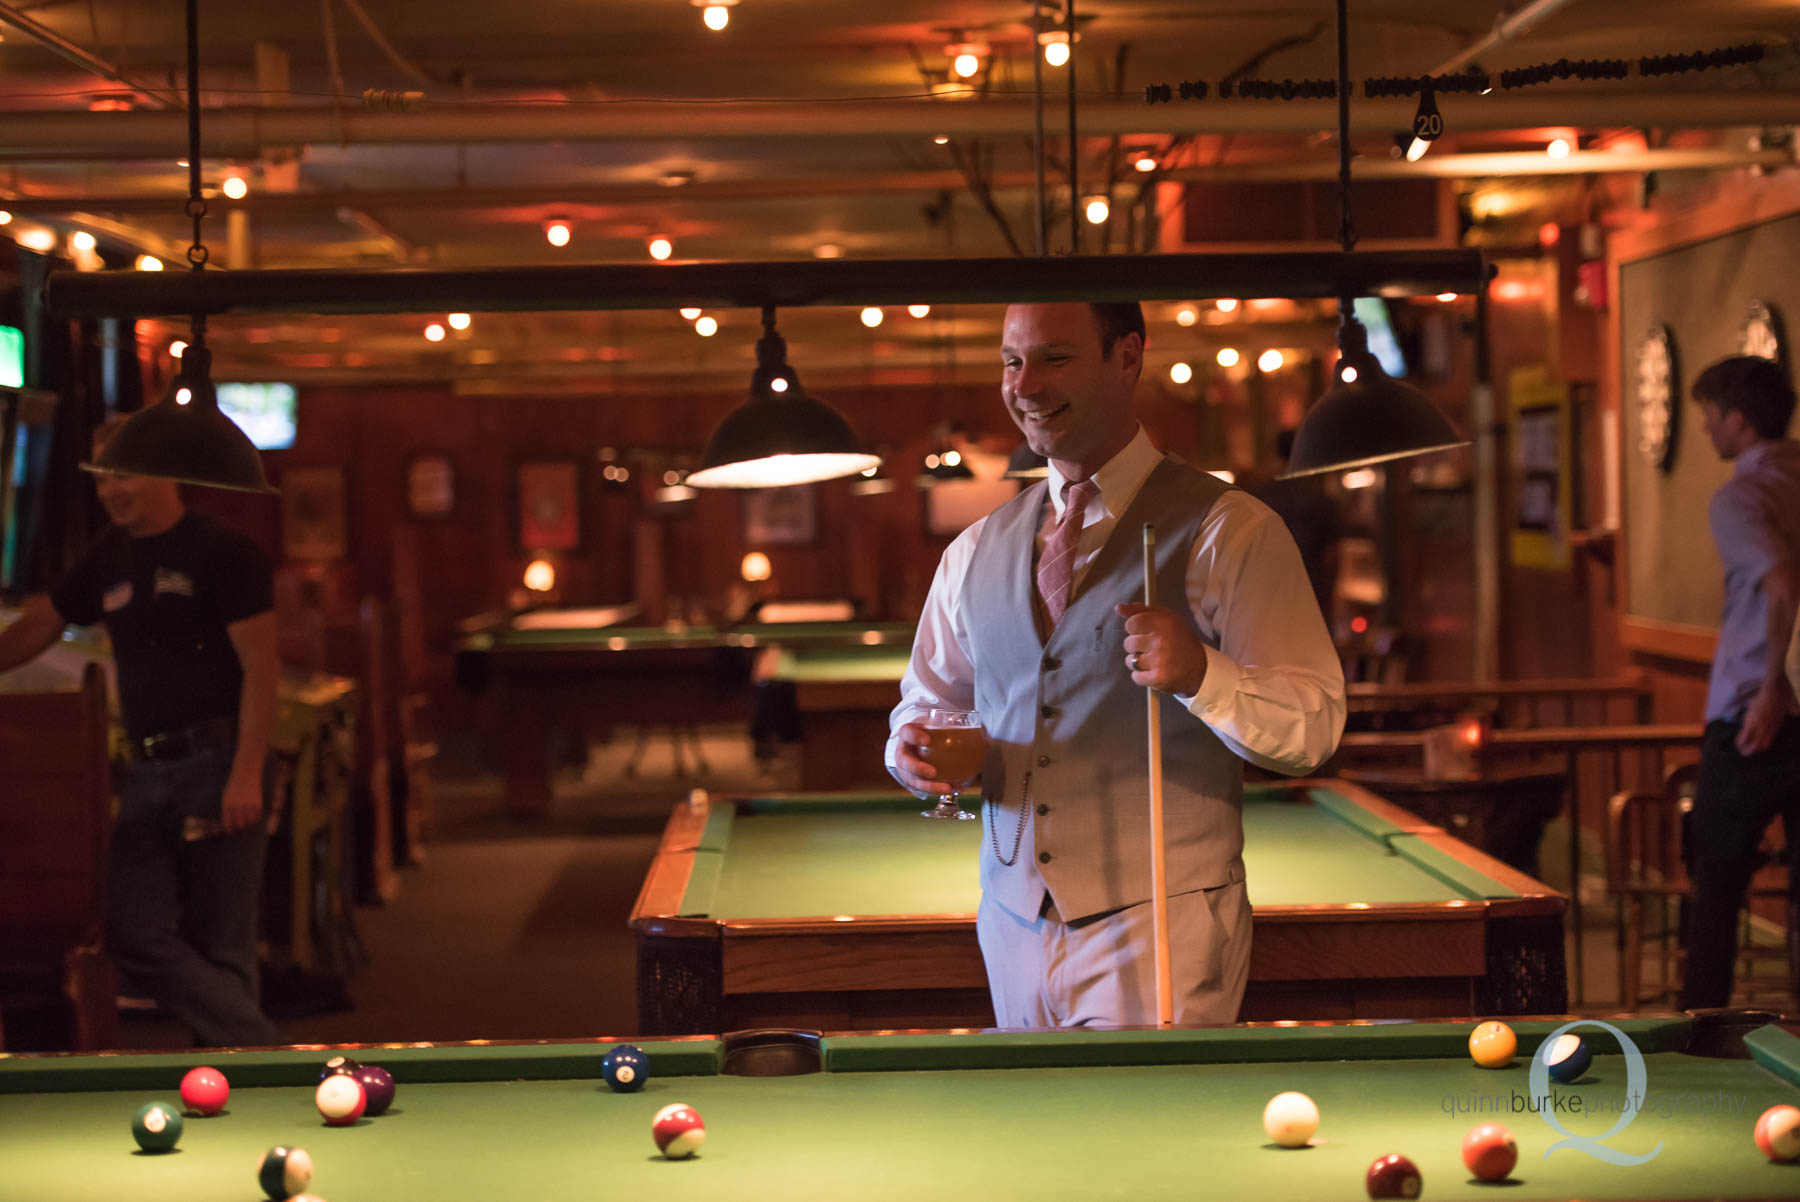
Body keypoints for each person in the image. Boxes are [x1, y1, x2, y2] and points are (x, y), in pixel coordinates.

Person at [887, 302, 1346, 1027]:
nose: (1026, 384)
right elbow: (927, 702)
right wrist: (909, 752)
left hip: (1162, 923)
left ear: (1127, 357)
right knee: (1033, 1137)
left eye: (1055, 358)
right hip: (1011, 920)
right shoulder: (973, 550)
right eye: (1012, 361)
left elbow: (1311, 729)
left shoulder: (1230, 530)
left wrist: (1201, 674)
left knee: (1155, 1135)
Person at [0, 415, 283, 1047]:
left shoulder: (224, 552)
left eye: (123, 473)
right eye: (102, 477)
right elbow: (42, 623)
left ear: (167, 473)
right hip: (149, 775)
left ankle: (240, 1078)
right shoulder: (110, 556)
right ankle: (263, 1048)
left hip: (220, 763)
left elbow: (262, 670)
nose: (110, 490)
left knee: (222, 940)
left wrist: (246, 771)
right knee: (132, 931)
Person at [1679, 354, 1800, 1011]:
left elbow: (1783, 582)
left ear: (1741, 422)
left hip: (1755, 713)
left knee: (1716, 882)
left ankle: (1700, 1038)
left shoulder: (1740, 496)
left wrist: (1775, 684)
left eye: (1709, 416)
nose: (1705, 429)